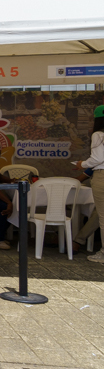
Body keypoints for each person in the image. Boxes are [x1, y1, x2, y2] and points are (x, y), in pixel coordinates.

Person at [77, 105, 104, 263]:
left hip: (102, 176)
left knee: (103, 218)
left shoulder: (98, 135)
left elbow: (97, 159)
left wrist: (83, 163)